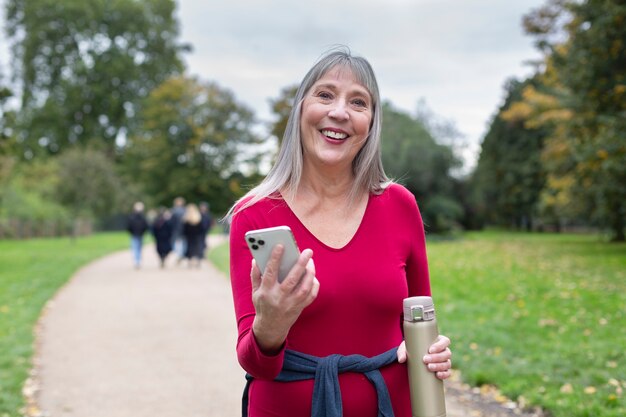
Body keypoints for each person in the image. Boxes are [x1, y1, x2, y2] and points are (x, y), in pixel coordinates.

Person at [227, 48, 452, 417]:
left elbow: (420, 320)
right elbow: (256, 364)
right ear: (301, 108)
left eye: (358, 102)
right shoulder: (254, 215)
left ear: (371, 122)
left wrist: (433, 348)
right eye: (325, 94)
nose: (340, 112)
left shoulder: (400, 204)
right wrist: (271, 324)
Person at [126, 201, 149, 269]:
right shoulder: (142, 217)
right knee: (138, 248)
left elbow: (129, 227)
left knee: (136, 248)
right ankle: (138, 261)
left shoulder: (132, 216)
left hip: (136, 235)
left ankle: (137, 261)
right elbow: (146, 226)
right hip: (138, 234)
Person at [182, 203, 205, 268]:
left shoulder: (186, 218)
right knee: (197, 247)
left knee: (190, 248)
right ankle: (198, 261)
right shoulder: (198, 217)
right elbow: (201, 228)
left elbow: (184, 229)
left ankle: (190, 261)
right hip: (197, 236)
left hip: (189, 236)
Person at [170, 196, 187, 262]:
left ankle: (179, 254)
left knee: (175, 243)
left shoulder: (173, 211)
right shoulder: (185, 210)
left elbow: (171, 222)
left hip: (176, 229)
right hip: (181, 229)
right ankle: (181, 254)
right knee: (182, 243)